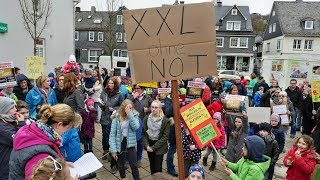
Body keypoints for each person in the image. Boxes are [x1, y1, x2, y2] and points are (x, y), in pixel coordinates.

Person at [9, 104, 77, 179]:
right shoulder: (40, 154)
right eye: (67, 128)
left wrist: (58, 165)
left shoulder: (34, 130)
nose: (66, 132)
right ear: (59, 125)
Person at [109, 99, 140, 180]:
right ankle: (123, 177)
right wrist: (113, 150)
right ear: (123, 108)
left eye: (131, 108)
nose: (129, 110)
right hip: (120, 142)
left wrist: (130, 114)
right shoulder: (117, 117)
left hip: (131, 142)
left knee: (133, 164)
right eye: (127, 108)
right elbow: (112, 134)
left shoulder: (134, 115)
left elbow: (136, 127)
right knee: (121, 164)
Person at [100, 77, 124, 172]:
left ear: (116, 85)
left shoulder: (120, 94)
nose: (110, 85)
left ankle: (112, 154)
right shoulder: (104, 92)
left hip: (114, 119)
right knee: (105, 136)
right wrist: (101, 104)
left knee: (112, 136)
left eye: (112, 84)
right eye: (109, 83)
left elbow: (122, 106)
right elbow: (101, 103)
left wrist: (114, 109)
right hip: (105, 117)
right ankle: (106, 150)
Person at [0, 97, 26, 179]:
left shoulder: (10, 121)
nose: (15, 109)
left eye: (15, 106)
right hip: (6, 170)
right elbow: (20, 140)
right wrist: (21, 123)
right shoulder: (2, 127)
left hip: (13, 166)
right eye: (12, 107)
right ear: (4, 110)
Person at [143, 100, 170, 175]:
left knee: (158, 168)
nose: (153, 109)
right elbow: (144, 133)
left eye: (156, 107)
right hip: (149, 143)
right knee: (152, 165)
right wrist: (147, 145)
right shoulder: (146, 118)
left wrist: (154, 147)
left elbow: (165, 137)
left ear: (160, 108)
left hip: (159, 145)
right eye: (152, 107)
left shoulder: (165, 120)